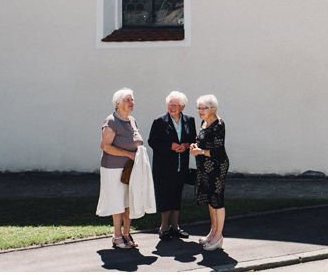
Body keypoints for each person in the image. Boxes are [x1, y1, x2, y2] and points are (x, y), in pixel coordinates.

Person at [96, 88, 144, 250]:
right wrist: (128, 154)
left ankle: (126, 233)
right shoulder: (111, 121)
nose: (131, 103)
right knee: (117, 202)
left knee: (128, 202)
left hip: (130, 170)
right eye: (127, 100)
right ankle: (117, 236)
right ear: (117, 104)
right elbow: (105, 146)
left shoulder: (132, 120)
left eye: (132, 100)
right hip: (113, 169)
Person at [148, 91, 197, 240]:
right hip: (163, 166)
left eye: (175, 105)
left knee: (176, 195)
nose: (172, 108)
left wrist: (186, 145)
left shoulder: (189, 120)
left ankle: (175, 227)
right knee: (164, 195)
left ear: (182, 106)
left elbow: (194, 139)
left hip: (181, 165)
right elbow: (153, 142)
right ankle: (164, 227)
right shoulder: (159, 121)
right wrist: (170, 146)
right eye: (170, 105)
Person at [191, 94, 229, 251]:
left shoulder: (218, 125)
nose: (200, 111)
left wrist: (200, 151)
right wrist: (195, 146)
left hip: (217, 166)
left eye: (203, 108)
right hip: (204, 167)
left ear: (213, 109)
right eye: (198, 108)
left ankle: (218, 236)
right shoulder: (204, 123)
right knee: (209, 199)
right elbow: (202, 141)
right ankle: (212, 232)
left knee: (217, 200)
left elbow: (218, 151)